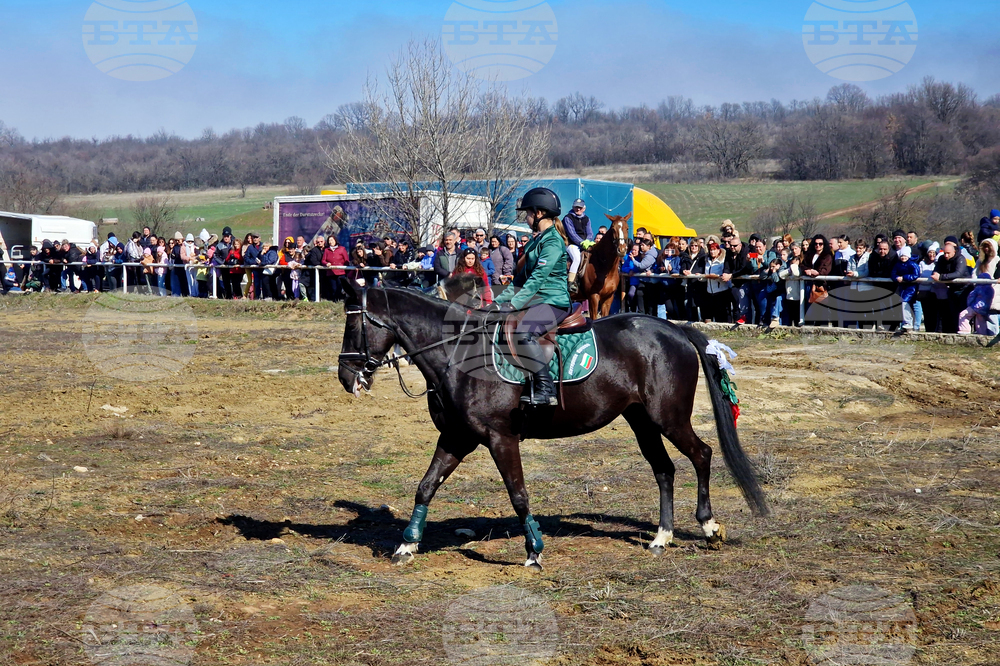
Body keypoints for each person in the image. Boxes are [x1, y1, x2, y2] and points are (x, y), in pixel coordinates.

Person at [492, 187, 572, 407]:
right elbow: (519, 282)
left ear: (538, 214)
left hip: (554, 302)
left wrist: (514, 304)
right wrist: (495, 302)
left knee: (524, 332)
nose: (525, 218)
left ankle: (546, 389)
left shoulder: (553, 241)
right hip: (536, 301)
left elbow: (537, 279)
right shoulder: (537, 241)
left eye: (527, 213)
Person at [932, 237, 972, 334]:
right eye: (945, 253)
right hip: (952, 288)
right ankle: (954, 331)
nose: (946, 255)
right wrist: (936, 274)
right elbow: (936, 270)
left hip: (964, 289)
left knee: (963, 313)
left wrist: (941, 277)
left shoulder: (960, 258)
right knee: (953, 313)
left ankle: (965, 332)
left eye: (948, 253)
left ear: (954, 252)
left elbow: (958, 273)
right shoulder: (942, 259)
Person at [562, 198, 593, 294]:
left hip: (584, 244)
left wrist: (588, 241)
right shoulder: (568, 218)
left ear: (584, 208)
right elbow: (572, 234)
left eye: (580, 207)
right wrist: (582, 243)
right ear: (573, 207)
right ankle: (571, 282)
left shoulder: (587, 219)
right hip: (571, 244)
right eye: (576, 207)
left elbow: (590, 232)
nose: (578, 209)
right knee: (576, 258)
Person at [721, 231, 752, 324]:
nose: (732, 248)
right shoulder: (729, 252)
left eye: (734, 246)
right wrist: (725, 274)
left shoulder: (746, 252)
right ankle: (735, 321)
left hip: (745, 281)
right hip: (734, 282)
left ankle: (748, 322)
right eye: (731, 246)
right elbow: (726, 266)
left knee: (744, 302)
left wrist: (731, 275)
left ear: (740, 245)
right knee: (734, 302)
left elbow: (744, 268)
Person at [891, 246, 919, 332]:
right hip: (902, 287)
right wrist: (896, 278)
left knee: (905, 303)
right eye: (902, 256)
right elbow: (893, 273)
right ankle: (904, 323)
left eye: (905, 256)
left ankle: (908, 322)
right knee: (902, 304)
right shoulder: (898, 264)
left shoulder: (912, 264)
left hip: (911, 288)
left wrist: (904, 278)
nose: (903, 258)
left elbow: (915, 275)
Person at [323, 235, 350, 300]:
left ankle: (341, 300)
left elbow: (346, 260)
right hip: (331, 272)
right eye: (329, 240)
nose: (330, 242)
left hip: (341, 272)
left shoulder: (342, 249)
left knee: (340, 287)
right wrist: (326, 263)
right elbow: (323, 260)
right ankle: (335, 301)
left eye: (332, 240)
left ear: (335, 240)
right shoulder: (327, 250)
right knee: (333, 288)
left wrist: (345, 270)